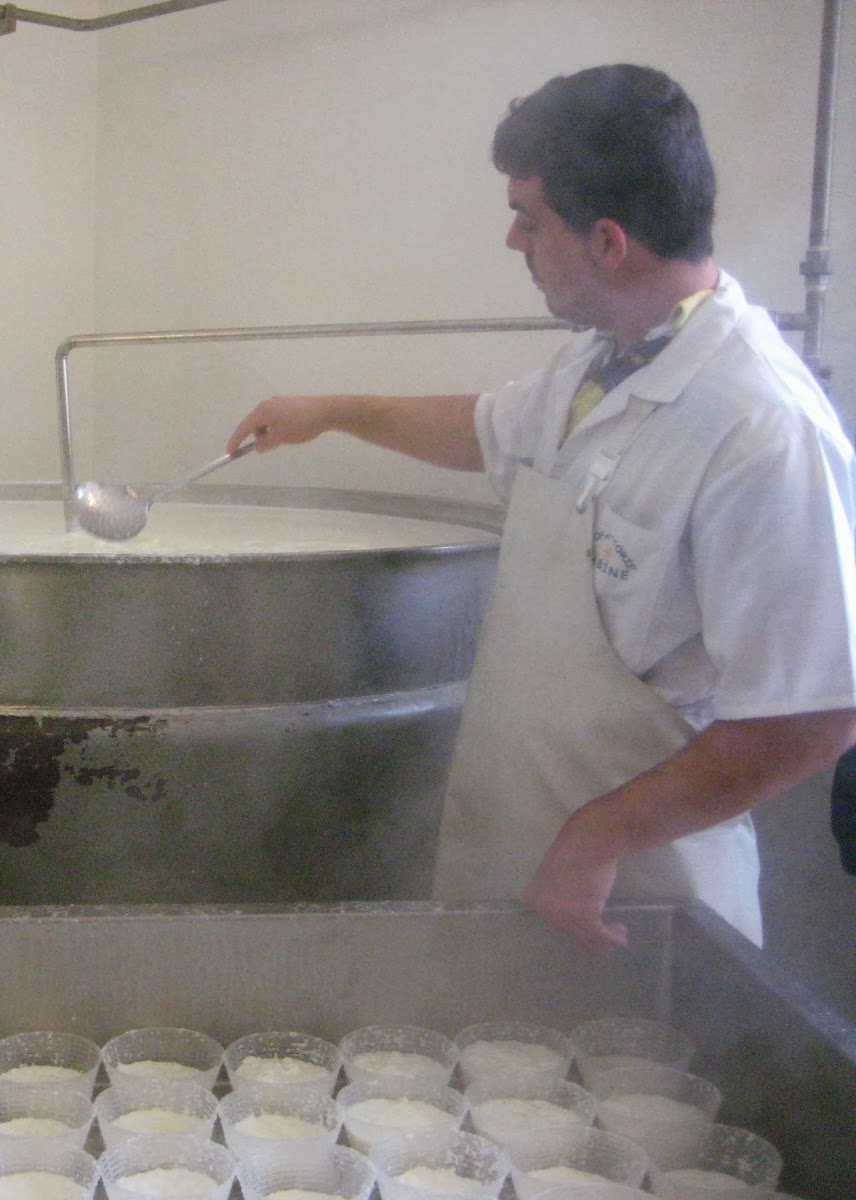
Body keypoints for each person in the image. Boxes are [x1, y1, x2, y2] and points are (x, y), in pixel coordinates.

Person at [226, 64, 856, 953]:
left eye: (529, 218)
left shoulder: (760, 426)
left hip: (635, 904)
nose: (512, 240)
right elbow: (488, 431)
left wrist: (601, 835)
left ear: (608, 242)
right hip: (516, 857)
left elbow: (811, 717)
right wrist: (333, 412)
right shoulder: (602, 359)